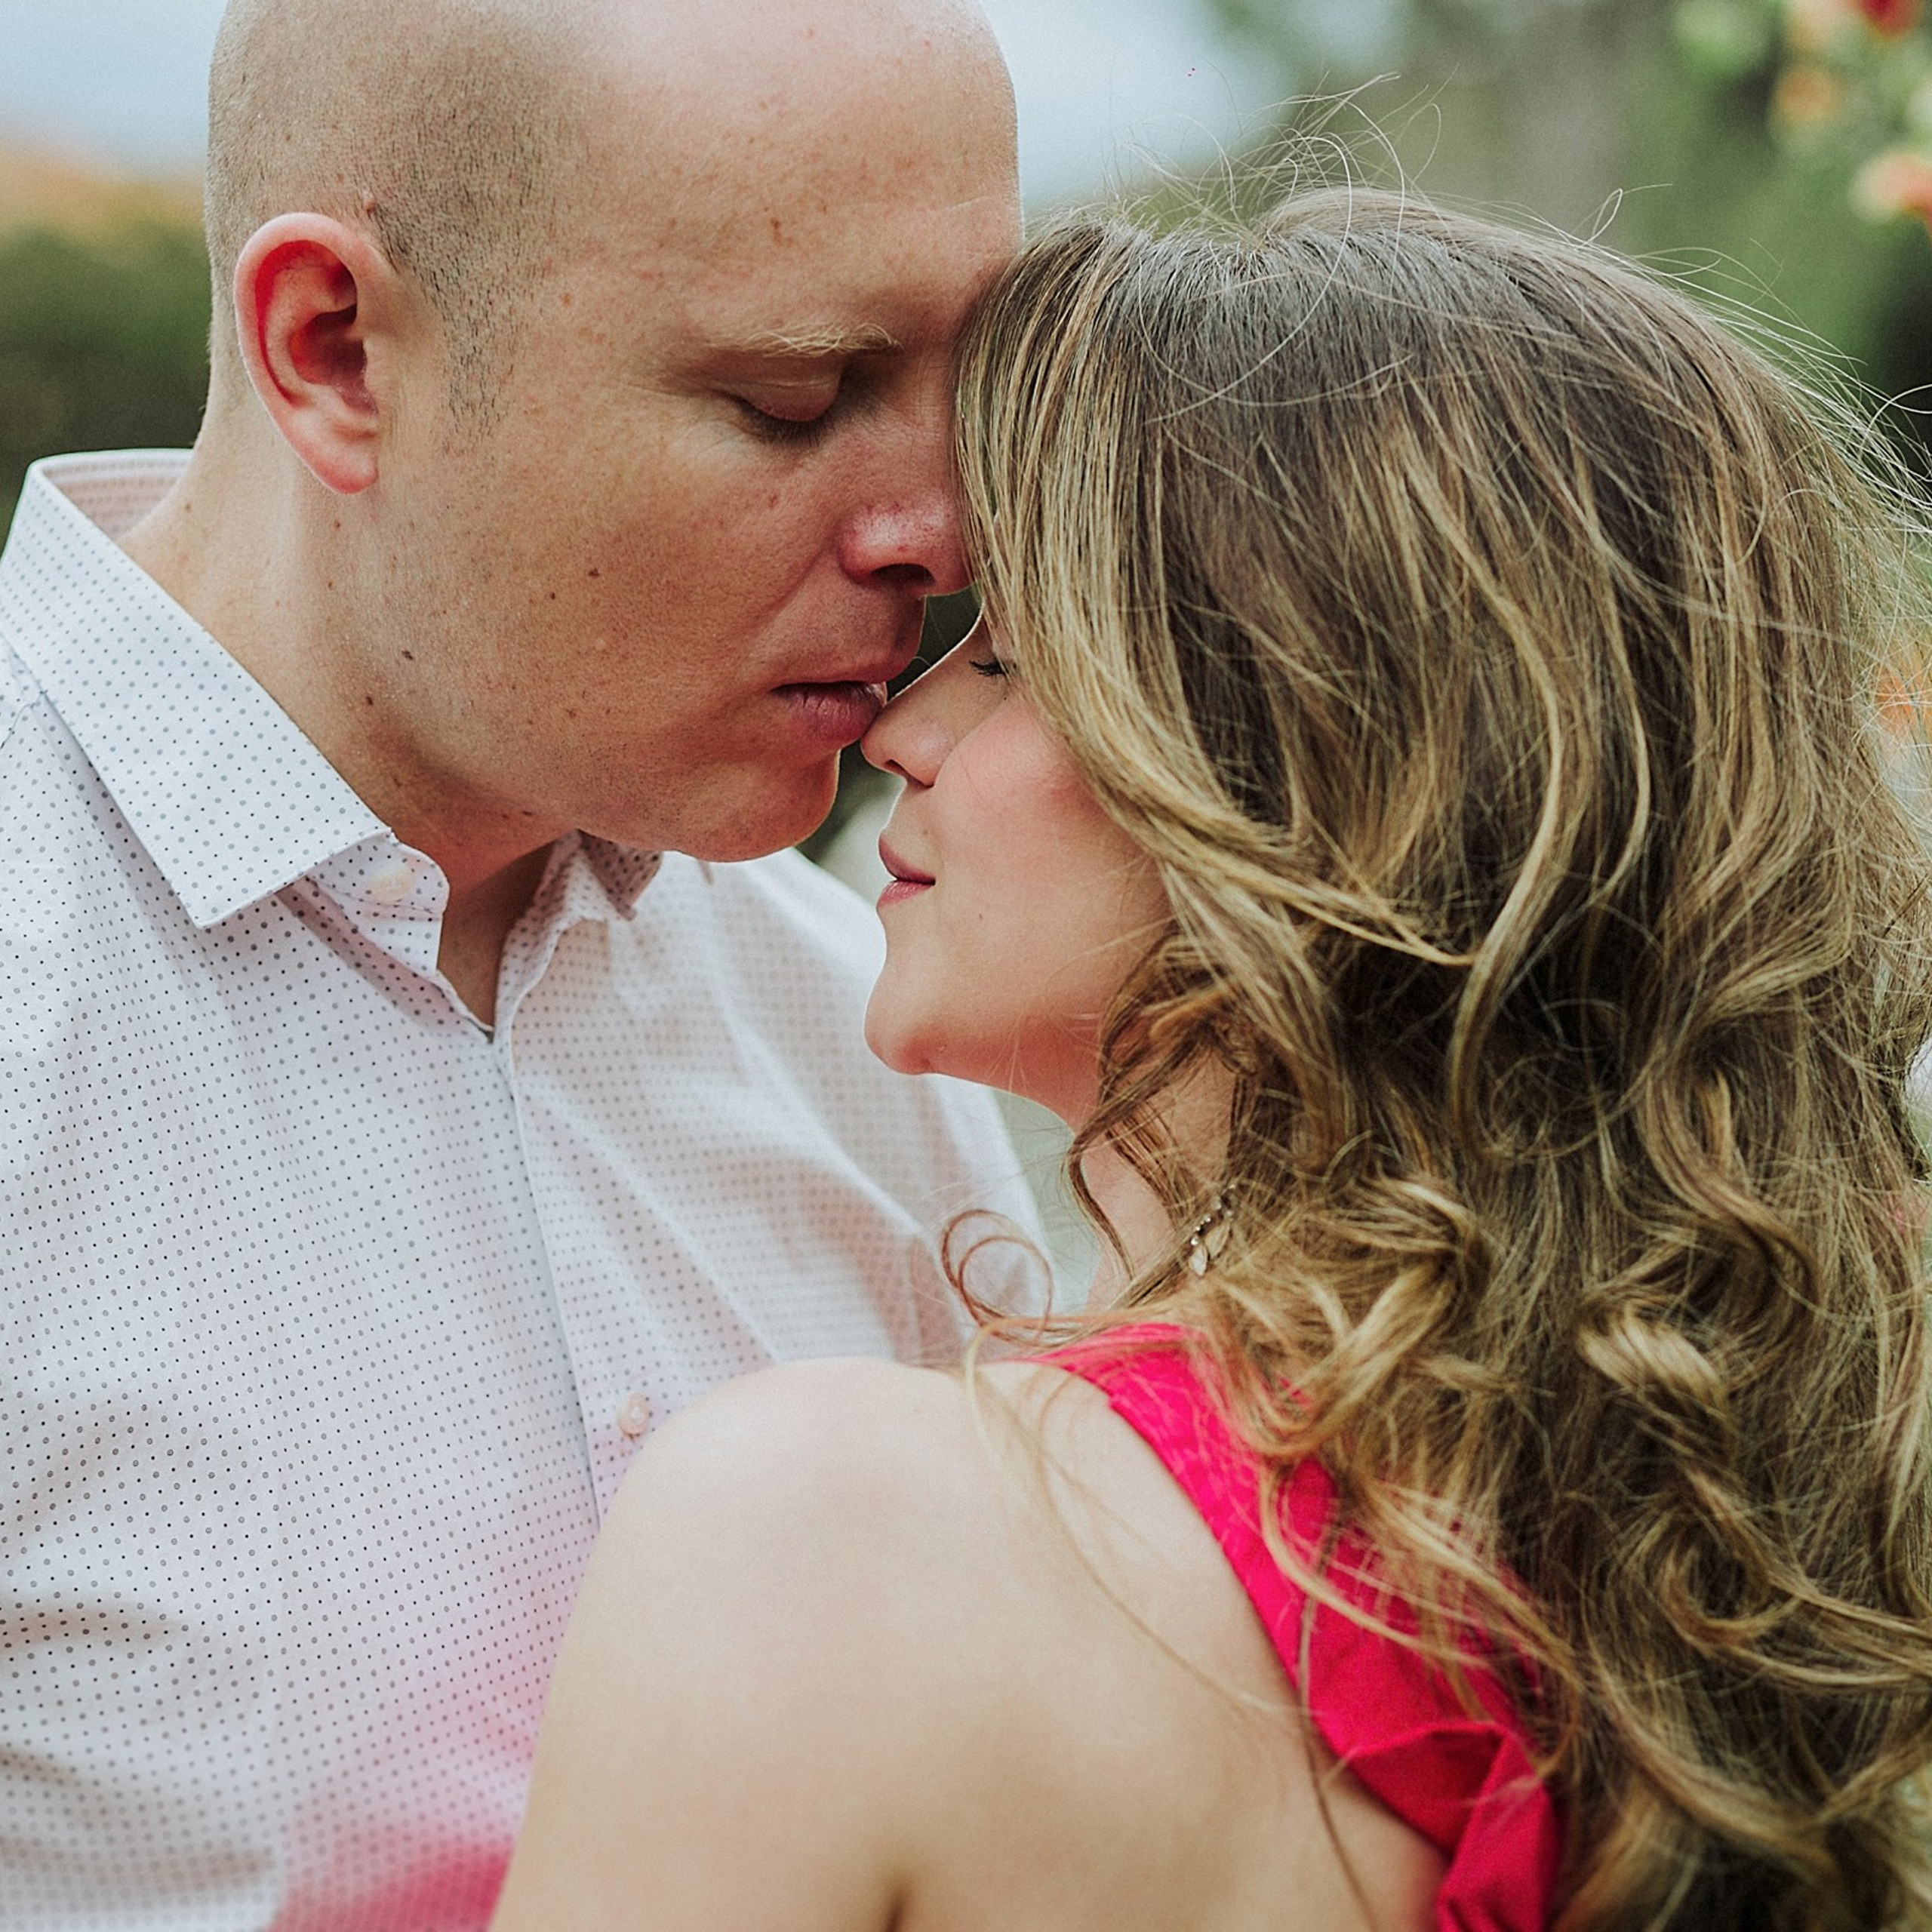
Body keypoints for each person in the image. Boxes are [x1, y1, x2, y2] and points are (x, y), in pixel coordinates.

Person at [491, 191, 1932, 1930]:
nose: (905, 723)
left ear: (1310, 785)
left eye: (1014, 657)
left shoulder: (834, 1540)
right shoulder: (1726, 1580)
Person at [0, 0, 1038, 1922]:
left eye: (969, 391)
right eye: (794, 400)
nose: (940, 529)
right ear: (335, 351)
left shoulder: (876, 1019)